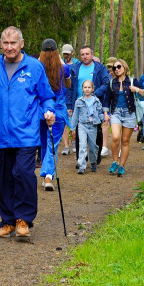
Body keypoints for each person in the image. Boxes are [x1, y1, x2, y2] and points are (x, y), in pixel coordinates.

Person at [0, 27, 55, 240]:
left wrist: (49, 111)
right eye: (5, 43)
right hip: (1, 134)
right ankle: (8, 221)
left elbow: (46, 96)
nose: (9, 47)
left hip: (26, 133)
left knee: (23, 174)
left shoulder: (35, 67)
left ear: (22, 43)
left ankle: (24, 219)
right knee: (5, 178)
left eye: (13, 43)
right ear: (1, 44)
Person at [39, 38, 71, 191]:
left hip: (41, 110)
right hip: (58, 110)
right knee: (52, 144)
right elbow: (68, 84)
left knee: (46, 144)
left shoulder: (38, 68)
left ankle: (47, 176)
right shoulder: (64, 69)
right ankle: (48, 176)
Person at [68, 45, 110, 163]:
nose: (85, 56)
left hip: (94, 105)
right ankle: (80, 160)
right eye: (82, 54)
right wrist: (69, 106)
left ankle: (95, 157)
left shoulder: (100, 68)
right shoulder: (75, 68)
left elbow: (106, 83)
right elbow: (70, 88)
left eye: (87, 54)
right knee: (78, 131)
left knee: (96, 131)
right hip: (79, 104)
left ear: (92, 55)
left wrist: (94, 94)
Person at [103, 58, 144, 176]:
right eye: (114, 68)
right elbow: (107, 99)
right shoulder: (112, 83)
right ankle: (115, 161)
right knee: (115, 137)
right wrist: (106, 113)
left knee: (125, 141)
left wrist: (136, 89)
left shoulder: (132, 81)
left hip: (129, 113)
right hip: (116, 112)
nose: (117, 70)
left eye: (119, 67)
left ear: (124, 67)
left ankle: (122, 166)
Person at [69, 79, 105, 173]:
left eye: (89, 87)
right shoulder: (79, 101)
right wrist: (72, 128)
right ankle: (82, 165)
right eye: (85, 87)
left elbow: (100, 112)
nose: (87, 89)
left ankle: (93, 162)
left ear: (93, 89)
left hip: (93, 126)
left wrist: (103, 118)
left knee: (92, 146)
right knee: (82, 145)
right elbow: (75, 115)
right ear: (82, 89)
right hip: (82, 125)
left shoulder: (96, 101)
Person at [59, 43, 79, 155]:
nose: (66, 56)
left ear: (72, 53)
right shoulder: (60, 63)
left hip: (75, 95)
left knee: (74, 121)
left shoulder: (77, 65)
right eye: (64, 54)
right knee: (64, 122)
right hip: (63, 95)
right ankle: (66, 146)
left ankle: (74, 142)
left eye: (68, 53)